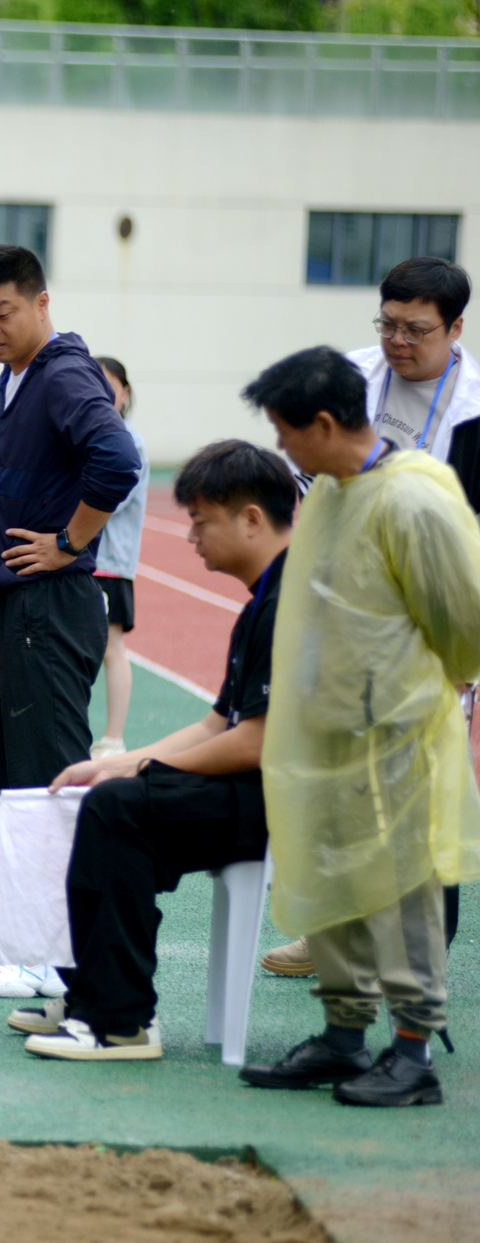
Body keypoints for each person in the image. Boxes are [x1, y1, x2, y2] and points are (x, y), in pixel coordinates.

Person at [238, 346, 480, 1107]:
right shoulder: (337, 495)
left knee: (402, 895)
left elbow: (464, 619)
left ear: (321, 422)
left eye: (285, 431)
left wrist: (414, 693)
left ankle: (413, 1054)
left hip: (400, 735)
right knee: (335, 887)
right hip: (329, 736)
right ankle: (343, 1038)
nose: (281, 447)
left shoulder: (415, 498)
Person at [6, 441, 293, 1060]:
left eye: (200, 520)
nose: (190, 536)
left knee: (121, 811)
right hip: (266, 788)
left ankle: (120, 1022)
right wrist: (115, 762)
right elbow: (220, 722)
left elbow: (257, 741)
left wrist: (142, 771)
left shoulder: (292, 601)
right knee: (107, 797)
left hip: (298, 799)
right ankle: (92, 995)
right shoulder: (267, 598)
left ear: (250, 518)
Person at [263, 256, 475, 979]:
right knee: (332, 788)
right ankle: (331, 935)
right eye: (387, 323)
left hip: (424, 623)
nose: (397, 341)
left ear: (456, 328)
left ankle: (417, 956)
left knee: (418, 800)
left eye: (416, 330)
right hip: (338, 609)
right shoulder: (347, 377)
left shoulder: (475, 408)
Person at [0, 244, 140, 997]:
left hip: (46, 606)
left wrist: (70, 541)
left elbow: (115, 460)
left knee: (48, 778)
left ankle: (54, 960)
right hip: (3, 597)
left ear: (41, 303)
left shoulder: (63, 374)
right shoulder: (15, 377)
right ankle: (16, 943)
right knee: (7, 780)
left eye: (4, 312)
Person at [90, 357, 149, 759]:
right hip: (81, 560)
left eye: (110, 384)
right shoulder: (86, 436)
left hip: (109, 562)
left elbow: (110, 497)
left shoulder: (130, 441)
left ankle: (113, 738)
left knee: (111, 647)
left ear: (125, 391)